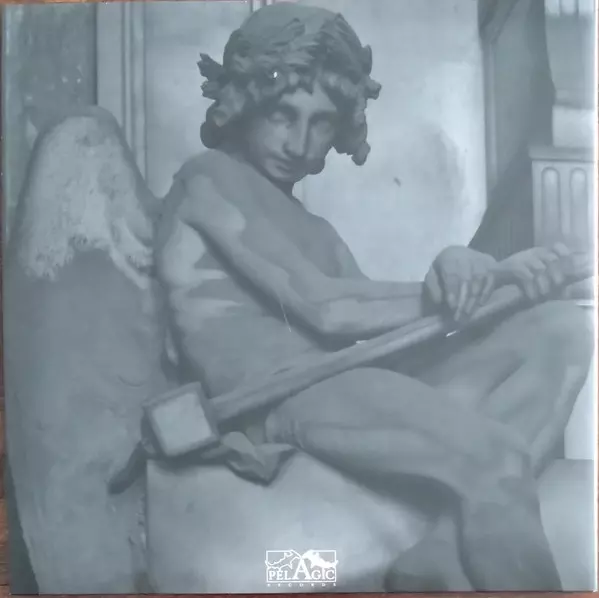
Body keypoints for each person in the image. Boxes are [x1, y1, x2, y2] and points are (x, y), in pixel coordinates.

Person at [153, 3, 593, 591]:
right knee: (496, 459)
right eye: (283, 114)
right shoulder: (209, 177)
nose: (299, 142)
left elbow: (382, 336)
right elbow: (329, 310)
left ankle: (442, 548)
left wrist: (474, 274)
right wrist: (484, 282)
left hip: (345, 381)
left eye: (322, 123)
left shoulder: (315, 230)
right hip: (281, 396)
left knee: (562, 330)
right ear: (246, 99)